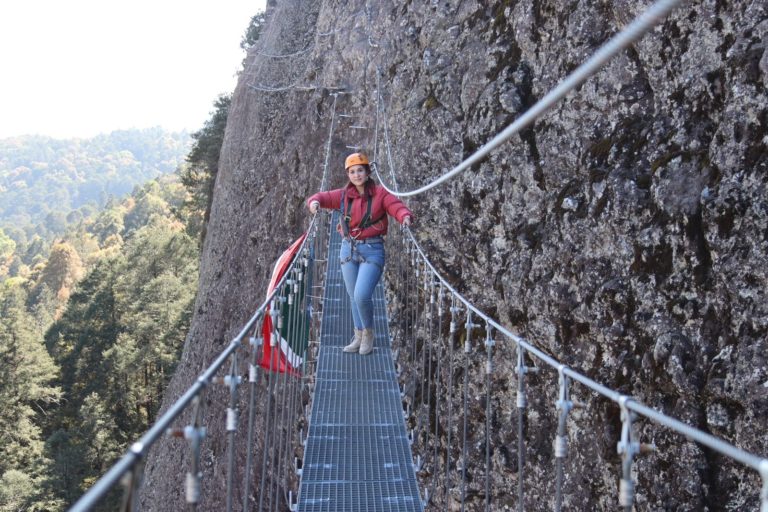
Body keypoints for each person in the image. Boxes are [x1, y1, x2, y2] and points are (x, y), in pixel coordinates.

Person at [307, 152, 413, 355]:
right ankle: (358, 336)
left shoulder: (381, 193)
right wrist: (314, 203)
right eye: (352, 172)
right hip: (348, 249)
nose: (356, 175)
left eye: (360, 171)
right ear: (348, 174)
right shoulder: (343, 195)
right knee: (352, 295)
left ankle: (368, 334)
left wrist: (404, 216)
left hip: (373, 250)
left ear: (367, 172)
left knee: (361, 294)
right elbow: (320, 197)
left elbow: (395, 206)